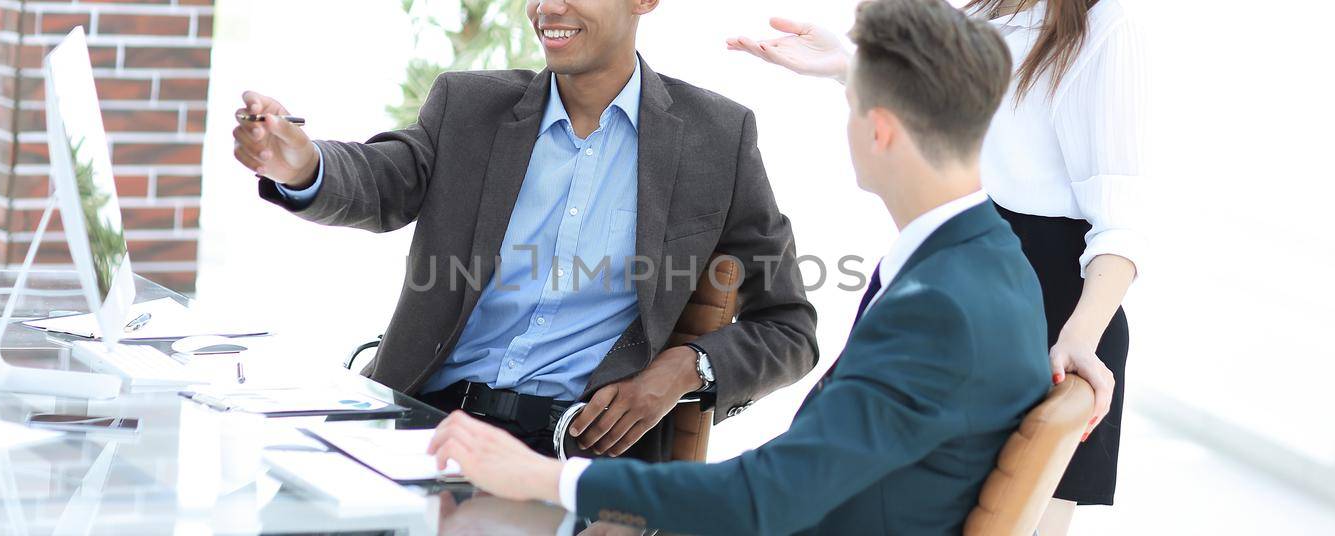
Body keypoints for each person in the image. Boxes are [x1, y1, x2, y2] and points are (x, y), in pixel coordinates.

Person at [427, 1, 1053, 533]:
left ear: (880, 132)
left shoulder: (938, 305)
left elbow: (765, 499)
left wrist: (545, 477)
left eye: (852, 103)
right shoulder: (997, 262)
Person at [230, 0, 817, 462]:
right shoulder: (467, 106)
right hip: (418, 420)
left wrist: (685, 367)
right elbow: (385, 178)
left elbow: (790, 328)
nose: (548, 8)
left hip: (571, 449)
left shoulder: (716, 137)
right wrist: (303, 167)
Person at [726, 0, 1146, 531]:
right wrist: (853, 66)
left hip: (1056, 313)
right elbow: (954, 121)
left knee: (1007, 516)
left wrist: (1080, 337)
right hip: (955, 270)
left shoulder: (1107, 25)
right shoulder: (986, 11)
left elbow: (1122, 223)